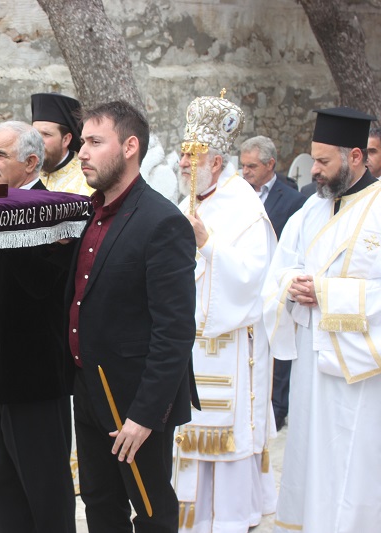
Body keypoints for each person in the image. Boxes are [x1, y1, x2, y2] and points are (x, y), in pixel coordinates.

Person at [68, 100, 198, 532]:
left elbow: (174, 330)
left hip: (135, 401)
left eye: (94, 142)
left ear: (129, 147)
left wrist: (144, 416)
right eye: (82, 142)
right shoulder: (89, 214)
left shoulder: (162, 221)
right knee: (99, 504)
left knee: (150, 510)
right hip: (88, 389)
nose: (82, 152)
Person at [263, 106, 381, 533]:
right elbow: (280, 269)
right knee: (313, 457)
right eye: (314, 159)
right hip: (312, 363)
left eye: (323, 161)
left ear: (355, 157)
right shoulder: (310, 210)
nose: (313, 170)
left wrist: (326, 294)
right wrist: (291, 285)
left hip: (361, 369)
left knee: (355, 461)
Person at [0, 121, 76, 533]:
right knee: (2, 492)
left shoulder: (54, 211)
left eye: (0, 155)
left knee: (44, 496)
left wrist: (7, 224)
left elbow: (41, 284)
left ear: (30, 162)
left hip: (32, 386)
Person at [173, 95, 277, 531]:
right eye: (181, 154)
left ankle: (230, 521)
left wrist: (208, 243)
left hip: (230, 346)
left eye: (191, 156)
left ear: (216, 162)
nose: (182, 163)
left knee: (226, 443)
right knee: (186, 437)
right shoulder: (189, 201)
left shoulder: (244, 205)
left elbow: (256, 277)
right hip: (187, 344)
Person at [239, 135, 306, 431]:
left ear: (270, 165)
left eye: (252, 166)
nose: (245, 172)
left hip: (275, 286)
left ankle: (277, 408)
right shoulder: (237, 196)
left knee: (277, 346)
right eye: (243, 166)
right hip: (246, 284)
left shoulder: (293, 201)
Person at [31, 92, 93, 196]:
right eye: (34, 134)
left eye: (46, 134)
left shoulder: (88, 178)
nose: (37, 141)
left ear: (66, 139)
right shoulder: (23, 171)